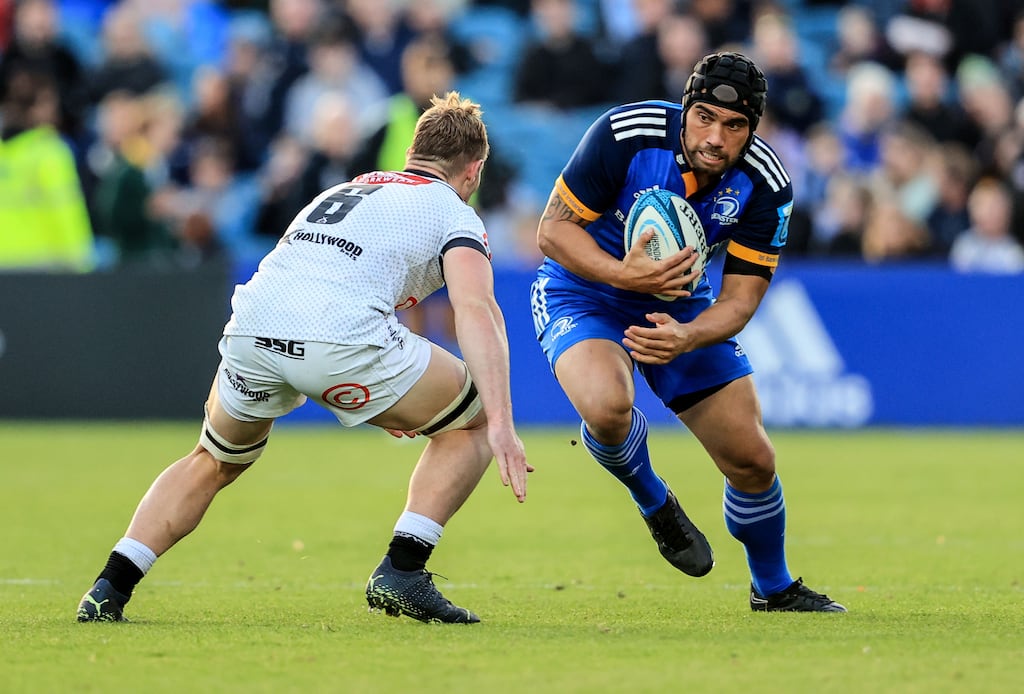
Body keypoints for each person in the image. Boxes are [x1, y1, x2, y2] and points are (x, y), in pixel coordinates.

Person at [76, 91, 532, 625]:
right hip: (341, 340)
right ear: (473, 170)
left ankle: (108, 588)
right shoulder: (452, 211)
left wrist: (399, 393)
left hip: (253, 329)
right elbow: (475, 309)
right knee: (473, 423)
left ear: (412, 152)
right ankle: (403, 571)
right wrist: (502, 421)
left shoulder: (343, 189)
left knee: (213, 459)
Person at [530, 51, 846, 612]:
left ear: (753, 128)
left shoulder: (766, 184)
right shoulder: (626, 133)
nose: (716, 138)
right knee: (606, 406)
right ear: (685, 109)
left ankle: (773, 588)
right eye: (704, 117)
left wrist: (689, 336)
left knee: (753, 459)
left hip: (681, 306)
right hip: (584, 289)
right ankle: (654, 500)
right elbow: (552, 232)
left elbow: (740, 301)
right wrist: (623, 274)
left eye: (734, 125)